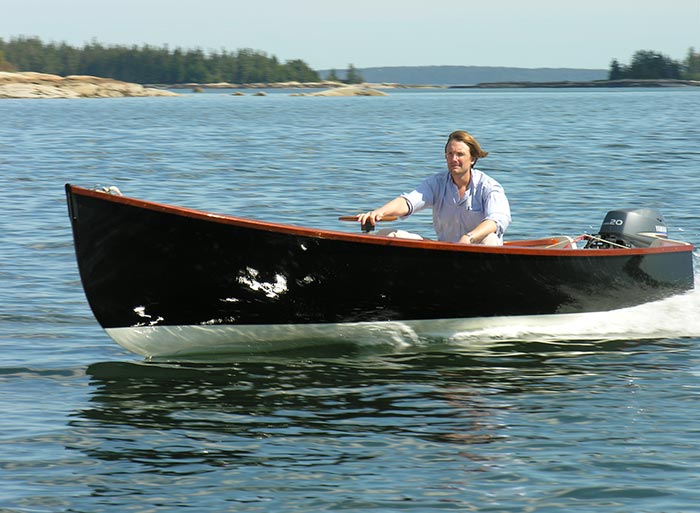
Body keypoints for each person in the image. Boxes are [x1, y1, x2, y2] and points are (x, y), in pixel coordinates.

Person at [357, 130, 511, 245]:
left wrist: (469, 238)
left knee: (489, 239)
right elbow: (409, 202)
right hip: (445, 251)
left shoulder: (489, 187)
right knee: (386, 234)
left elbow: (497, 220)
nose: (454, 159)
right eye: (450, 154)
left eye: (460, 154)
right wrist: (378, 212)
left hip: (478, 253)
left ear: (473, 159)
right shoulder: (436, 183)